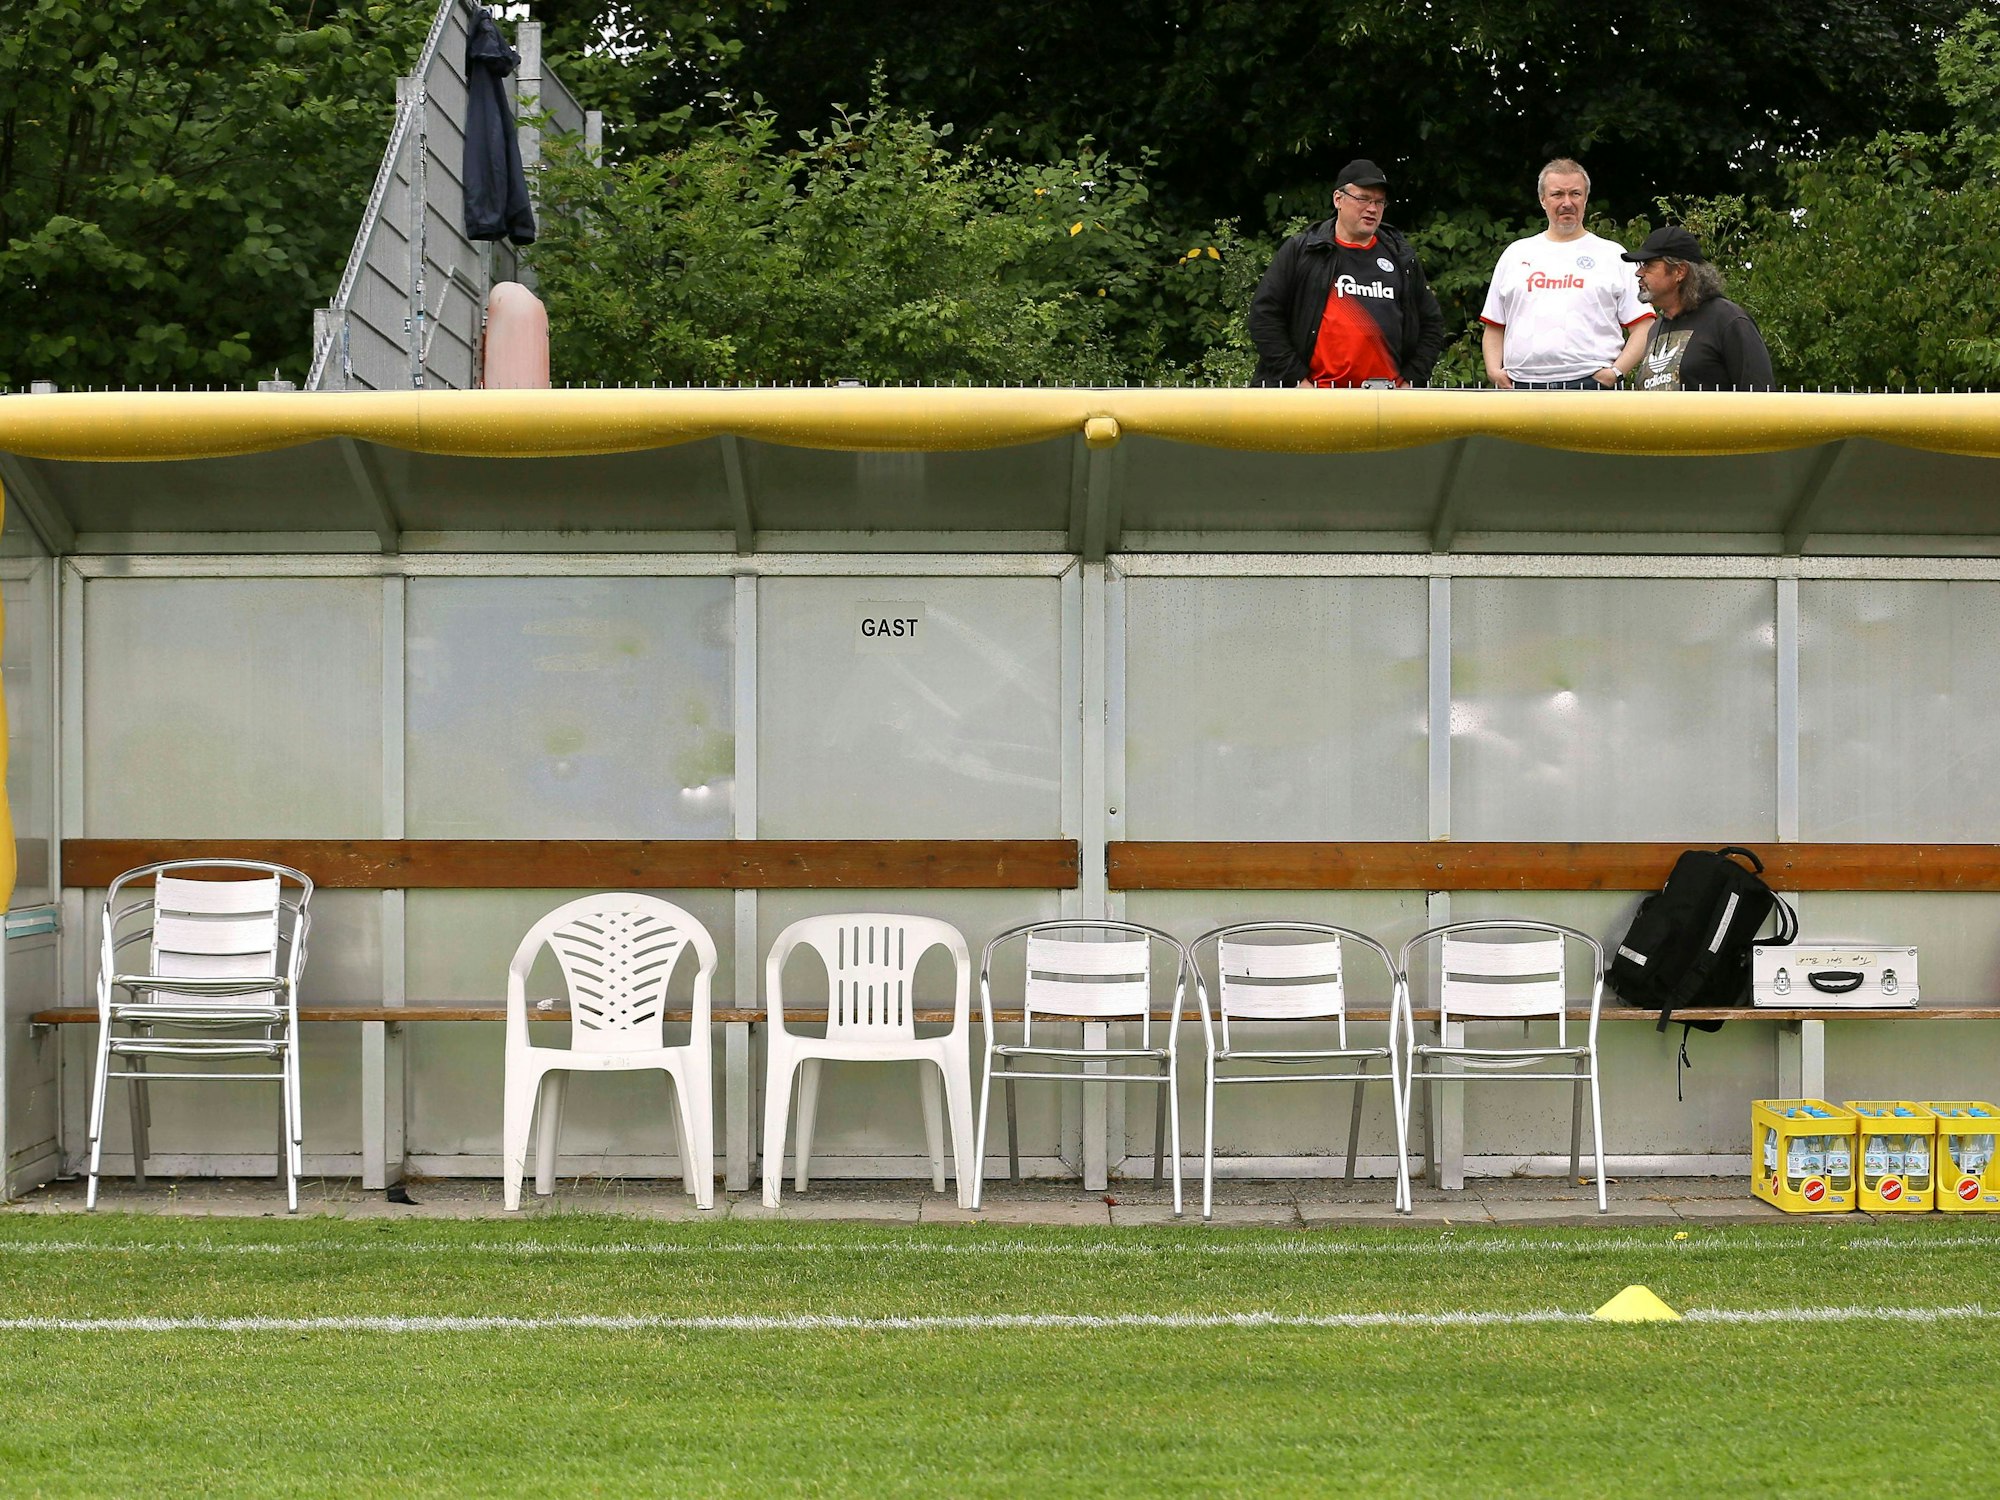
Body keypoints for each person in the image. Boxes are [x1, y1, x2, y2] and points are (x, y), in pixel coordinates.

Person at [1249, 159, 1445, 388]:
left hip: (1387, 404)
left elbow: (1432, 325)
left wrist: (1411, 381)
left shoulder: (1402, 258)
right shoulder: (1303, 251)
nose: (1372, 208)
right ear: (1338, 199)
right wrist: (1297, 382)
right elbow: (1264, 316)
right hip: (1314, 400)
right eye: (1363, 198)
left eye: (1379, 202)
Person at [1479, 158, 1651, 389]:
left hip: (1592, 386)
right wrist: (1493, 371)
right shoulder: (1515, 254)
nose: (1567, 203)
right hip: (1521, 387)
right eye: (1557, 194)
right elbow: (1494, 325)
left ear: (1586, 199)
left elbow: (1643, 325)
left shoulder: (1613, 255)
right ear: (1542, 200)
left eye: (1575, 194)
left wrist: (1615, 372)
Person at [1620, 226, 1775, 391]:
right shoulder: (1656, 329)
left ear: (1680, 271)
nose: (1639, 273)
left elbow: (1761, 397)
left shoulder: (1728, 321)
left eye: (1648, 265)